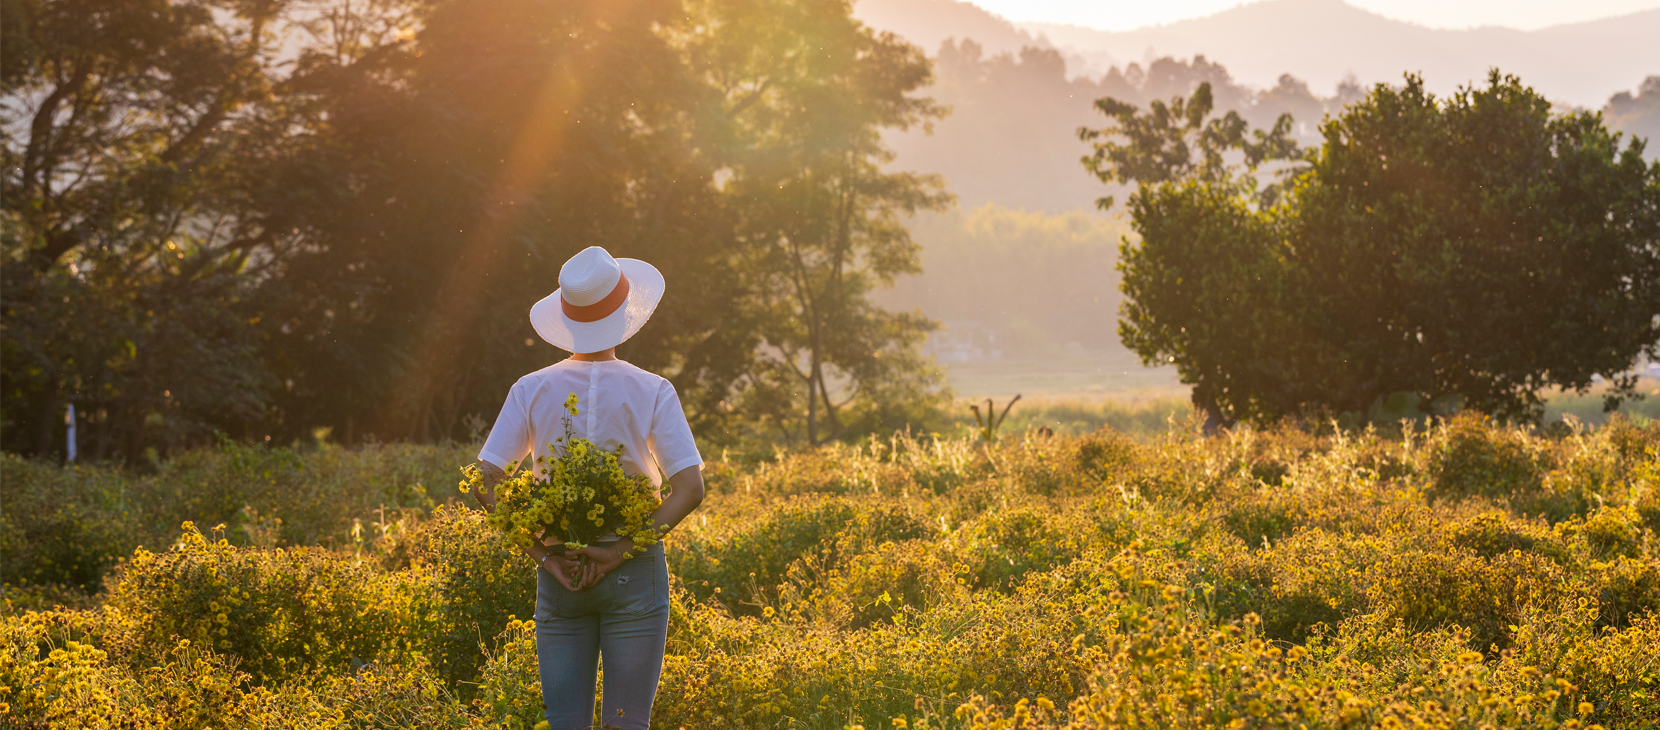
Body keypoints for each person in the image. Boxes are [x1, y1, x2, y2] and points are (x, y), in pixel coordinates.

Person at [471, 246, 705, 730]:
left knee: (564, 723)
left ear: (566, 316)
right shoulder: (653, 388)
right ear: (624, 312)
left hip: (562, 571)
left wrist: (544, 556)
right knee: (627, 723)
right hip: (633, 570)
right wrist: (621, 550)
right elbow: (689, 488)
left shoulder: (530, 387)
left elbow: (484, 482)